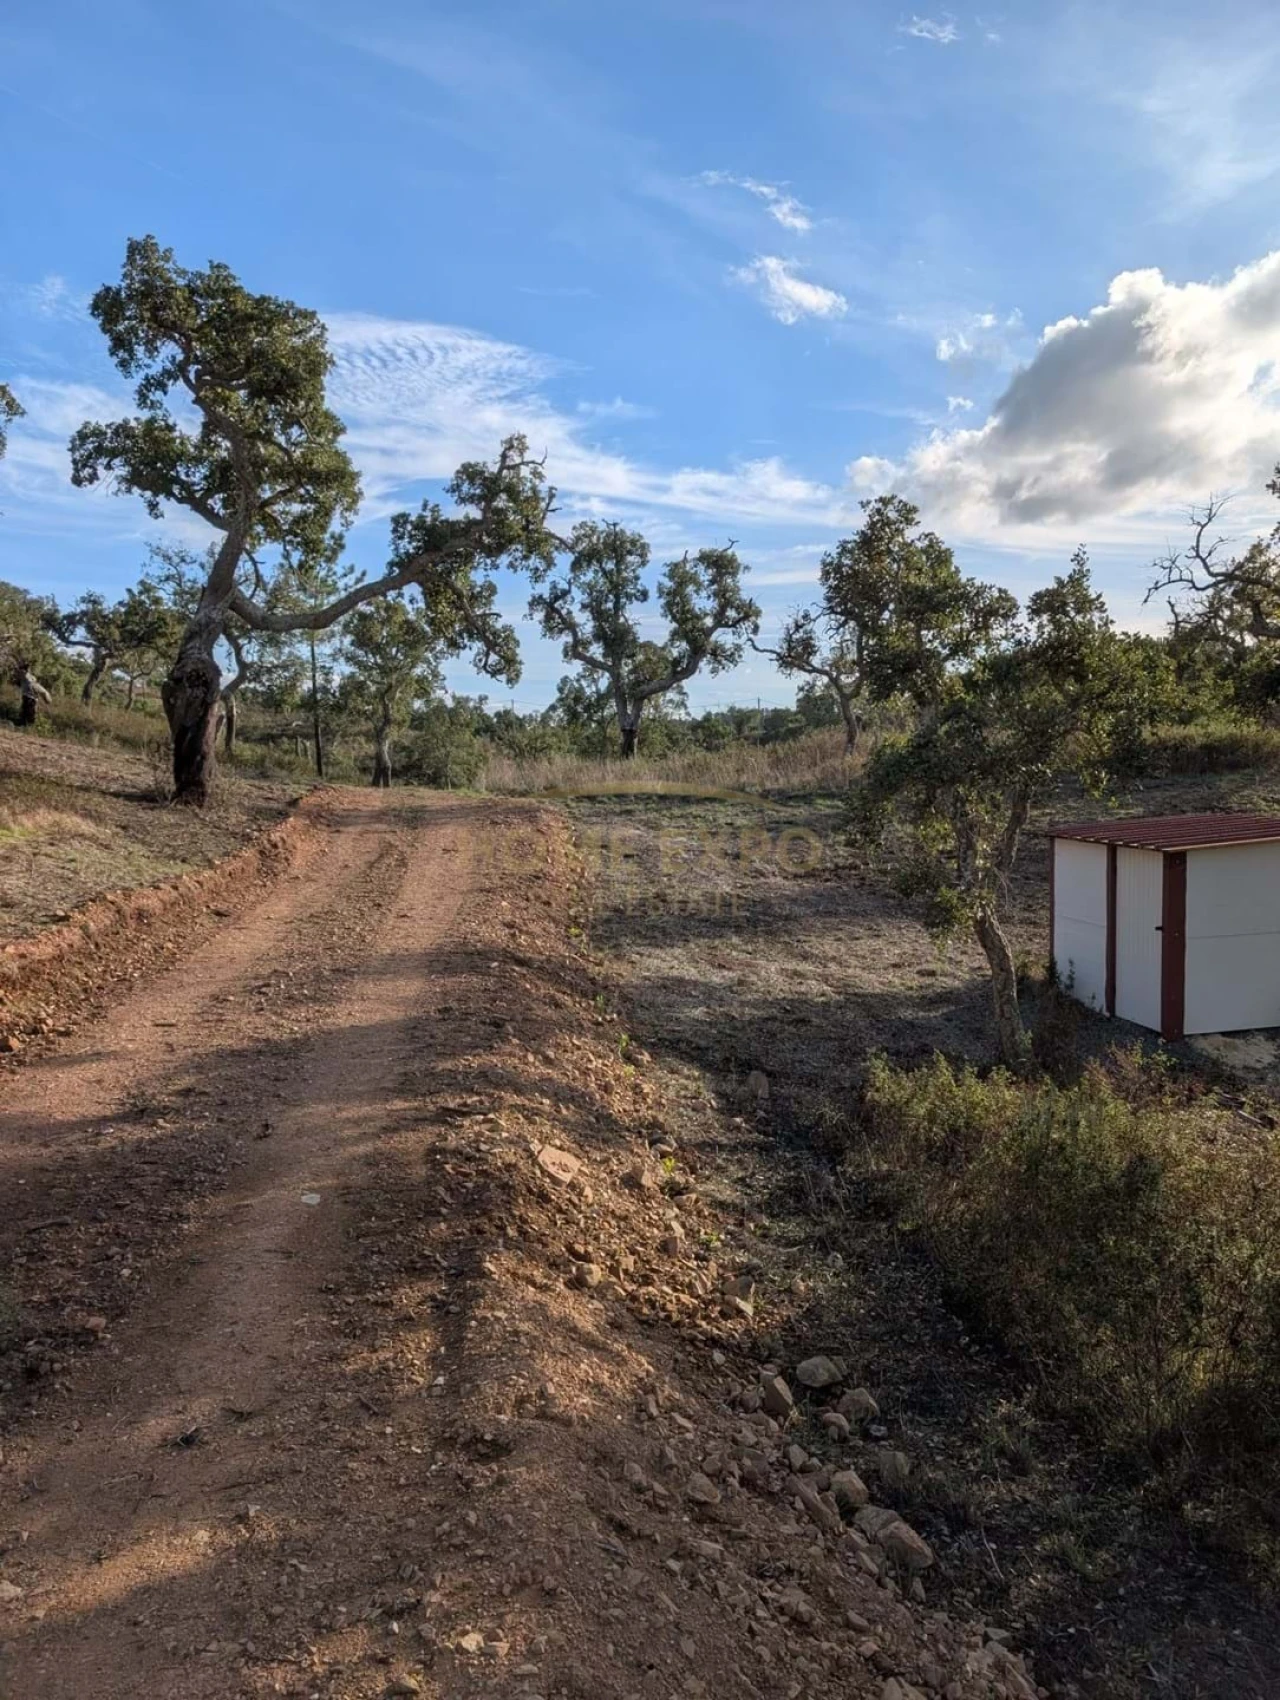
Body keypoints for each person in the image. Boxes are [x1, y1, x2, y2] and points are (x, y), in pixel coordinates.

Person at [17, 663, 51, 728]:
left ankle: (27, 727)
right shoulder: (27, 677)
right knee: (27, 713)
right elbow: (42, 691)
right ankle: (25, 726)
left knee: (29, 714)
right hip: (28, 698)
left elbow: (41, 690)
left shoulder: (26, 677)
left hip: (30, 699)